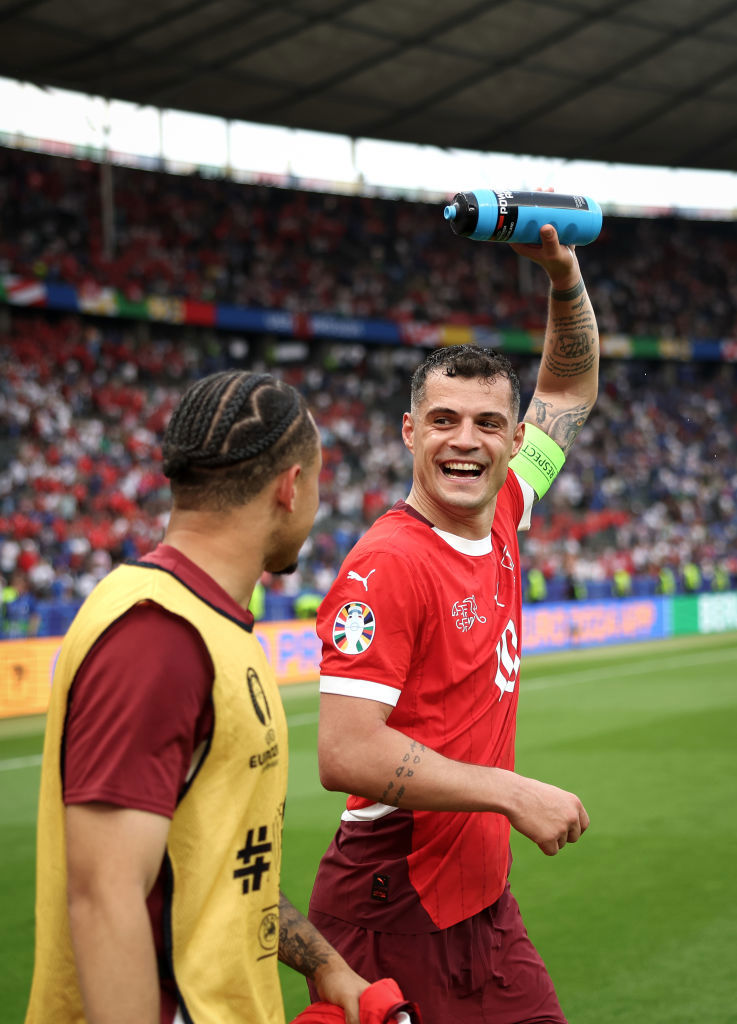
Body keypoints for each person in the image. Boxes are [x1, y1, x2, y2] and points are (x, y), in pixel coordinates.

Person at [307, 224, 598, 1024]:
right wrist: (509, 793)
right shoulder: (387, 565)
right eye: (441, 420)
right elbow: (345, 750)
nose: (463, 439)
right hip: (390, 909)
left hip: (482, 907)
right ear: (410, 433)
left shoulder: (505, 507)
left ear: (510, 440)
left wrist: (562, 278)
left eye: (484, 423)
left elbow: (568, 392)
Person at [25, 370, 371, 1024]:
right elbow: (105, 896)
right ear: (290, 487)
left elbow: (220, 866)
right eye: (319, 484)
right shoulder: (156, 633)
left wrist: (324, 963)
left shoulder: (210, 625)